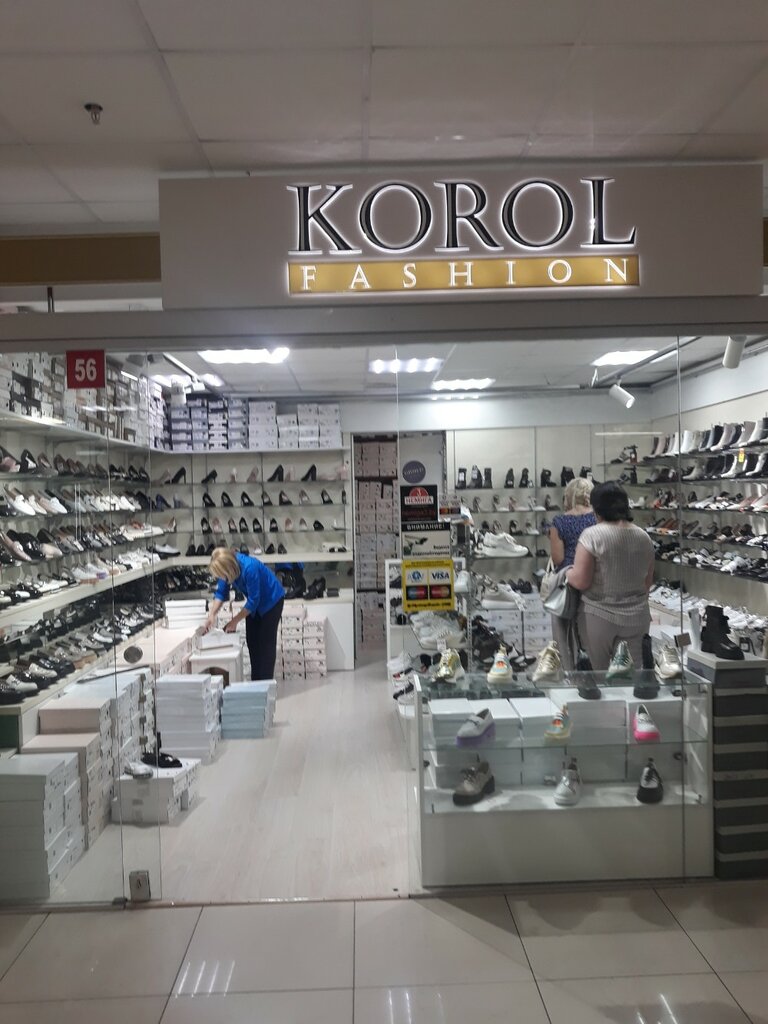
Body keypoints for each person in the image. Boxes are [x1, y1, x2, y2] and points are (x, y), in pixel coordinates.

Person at [566, 481, 654, 670]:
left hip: (599, 614)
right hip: (637, 616)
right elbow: (647, 583)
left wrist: (566, 573)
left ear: (597, 508)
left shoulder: (592, 535)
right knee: (631, 676)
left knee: (599, 674)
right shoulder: (644, 537)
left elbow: (581, 580)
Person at [205, 547, 285, 680]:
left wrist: (234, 621)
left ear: (229, 568)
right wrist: (212, 615)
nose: (221, 578)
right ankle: (256, 681)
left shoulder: (249, 567)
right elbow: (221, 593)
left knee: (266, 645)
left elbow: (254, 601)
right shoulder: (226, 569)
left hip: (272, 601)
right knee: (252, 642)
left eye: (221, 575)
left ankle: (266, 684)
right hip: (255, 604)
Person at [547, 477, 596, 668]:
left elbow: (558, 559)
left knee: (564, 631)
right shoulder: (596, 519)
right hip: (593, 578)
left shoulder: (560, 521)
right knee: (591, 630)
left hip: (569, 581)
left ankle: (569, 669)